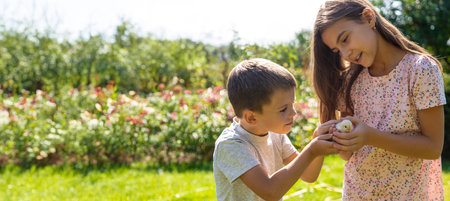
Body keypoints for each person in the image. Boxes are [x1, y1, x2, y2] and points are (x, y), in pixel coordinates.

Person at [311, 0, 446, 200]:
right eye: (337, 50)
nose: (345, 54)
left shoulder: (420, 70)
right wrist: (341, 140)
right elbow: (348, 156)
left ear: (368, 18)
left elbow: (433, 147)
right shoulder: (350, 81)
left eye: (345, 39)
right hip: (357, 194)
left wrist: (370, 137)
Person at [213, 58, 339, 201]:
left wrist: (317, 140)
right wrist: (311, 151)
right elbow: (270, 192)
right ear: (251, 118)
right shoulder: (231, 145)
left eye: (292, 103)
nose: (293, 113)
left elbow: (308, 175)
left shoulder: (275, 134)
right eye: (283, 109)